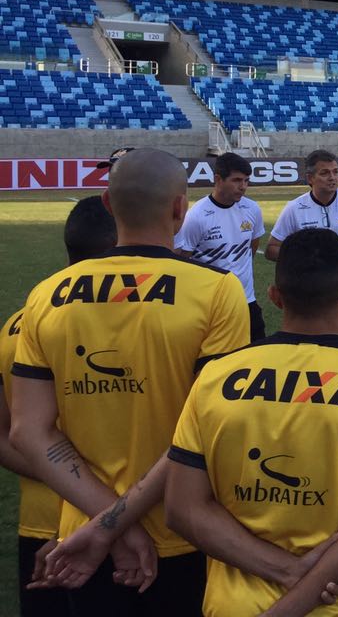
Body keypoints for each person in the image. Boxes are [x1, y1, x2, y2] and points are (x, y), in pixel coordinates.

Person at [10, 148, 249, 615]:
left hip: (82, 533)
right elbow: (207, 431)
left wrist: (106, 523)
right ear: (180, 207)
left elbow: (28, 431)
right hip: (184, 530)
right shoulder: (217, 290)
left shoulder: (46, 295)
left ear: (107, 203)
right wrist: (115, 525)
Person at [163, 228, 338, 616]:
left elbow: (182, 507)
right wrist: (298, 586)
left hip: (235, 606)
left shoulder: (215, 375)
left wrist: (284, 572)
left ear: (274, 296)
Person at [0, 197, 115, 617]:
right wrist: (95, 490)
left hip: (42, 518)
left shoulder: (17, 322)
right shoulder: (138, 323)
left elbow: (4, 434)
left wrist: (58, 473)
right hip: (125, 516)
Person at [267, 150, 338, 349]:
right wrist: (306, 260)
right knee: (317, 348)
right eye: (325, 173)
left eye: (335, 172)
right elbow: (271, 249)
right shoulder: (295, 208)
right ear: (310, 178)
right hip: (315, 293)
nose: (332, 178)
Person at [174, 152, 266, 341]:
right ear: (218, 179)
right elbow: (184, 261)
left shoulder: (252, 209)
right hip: (212, 304)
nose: (243, 187)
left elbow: (252, 246)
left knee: (258, 351)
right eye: (237, 180)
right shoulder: (196, 216)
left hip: (246, 300)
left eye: (247, 181)